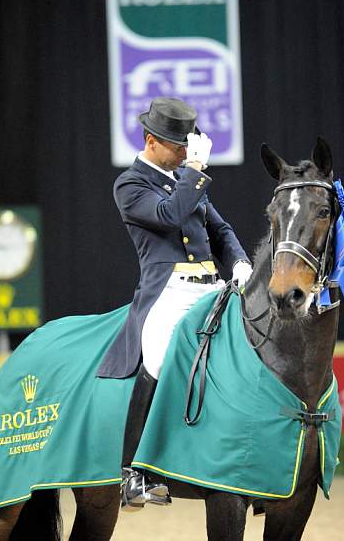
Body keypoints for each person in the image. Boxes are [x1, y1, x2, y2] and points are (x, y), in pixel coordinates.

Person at [97, 97, 252, 510]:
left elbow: (219, 229)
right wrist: (195, 171)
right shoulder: (130, 184)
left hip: (211, 287)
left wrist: (238, 262)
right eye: (178, 146)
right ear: (151, 141)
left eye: (189, 147)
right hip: (169, 291)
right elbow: (169, 215)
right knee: (160, 358)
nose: (186, 153)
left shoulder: (185, 177)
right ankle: (132, 472)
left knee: (253, 346)